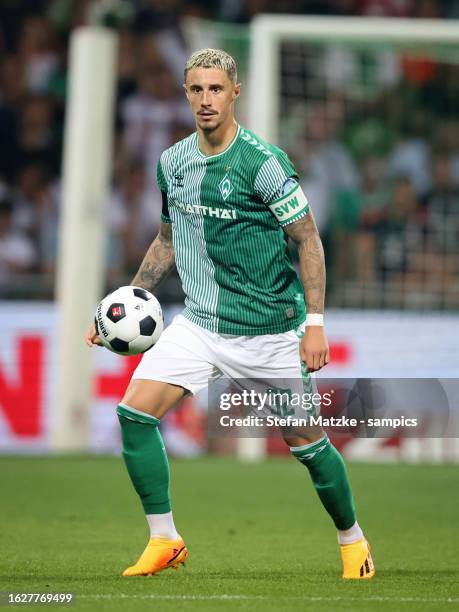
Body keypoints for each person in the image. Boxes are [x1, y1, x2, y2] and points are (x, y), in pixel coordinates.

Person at [86, 48, 375, 580]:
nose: (205, 100)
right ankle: (164, 538)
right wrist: (121, 309)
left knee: (306, 446)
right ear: (186, 94)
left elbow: (308, 239)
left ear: (234, 93)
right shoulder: (173, 163)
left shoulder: (263, 163)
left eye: (215, 89)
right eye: (196, 90)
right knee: (133, 414)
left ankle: (353, 541)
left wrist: (314, 323)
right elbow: (167, 241)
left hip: (268, 332)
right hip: (198, 325)